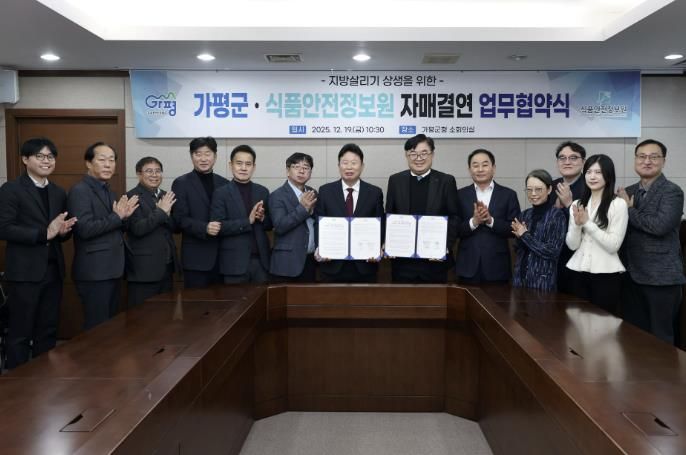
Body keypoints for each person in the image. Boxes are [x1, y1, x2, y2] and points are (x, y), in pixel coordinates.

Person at [0, 138, 76, 368]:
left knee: (48, 329)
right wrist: (44, 233)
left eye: (50, 157)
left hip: (53, 271)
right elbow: (4, 228)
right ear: (25, 159)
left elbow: (58, 232)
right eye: (40, 156)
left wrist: (63, 232)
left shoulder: (58, 192)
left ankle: (43, 380)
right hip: (24, 273)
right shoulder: (11, 189)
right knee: (20, 332)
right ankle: (16, 381)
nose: (46, 161)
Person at [617, 139, 685, 344]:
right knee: (633, 338)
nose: (647, 161)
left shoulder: (672, 191)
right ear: (635, 160)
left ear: (663, 161)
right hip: (630, 276)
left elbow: (659, 226)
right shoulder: (628, 191)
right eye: (642, 156)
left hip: (660, 279)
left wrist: (629, 210)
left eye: (653, 157)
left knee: (660, 340)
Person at [68, 142, 138, 329]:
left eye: (112, 160)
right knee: (97, 328)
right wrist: (117, 217)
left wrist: (124, 218)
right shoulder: (80, 191)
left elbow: (112, 225)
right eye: (102, 160)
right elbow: (84, 229)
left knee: (110, 327)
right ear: (88, 163)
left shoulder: (109, 190)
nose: (108, 165)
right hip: (94, 272)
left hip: (112, 269)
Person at [385, 134, 459, 283]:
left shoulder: (446, 181)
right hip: (403, 262)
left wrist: (444, 246)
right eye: (413, 153)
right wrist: (389, 243)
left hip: (434, 262)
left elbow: (455, 217)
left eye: (424, 153)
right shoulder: (395, 180)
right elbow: (389, 215)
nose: (418, 158)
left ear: (432, 154)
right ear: (406, 156)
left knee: (435, 298)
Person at [565, 154, 628, 315]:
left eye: (598, 172)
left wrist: (587, 223)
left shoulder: (618, 204)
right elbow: (572, 245)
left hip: (606, 276)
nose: (592, 176)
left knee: (603, 325)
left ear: (608, 175)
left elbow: (613, 245)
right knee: (576, 323)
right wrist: (577, 225)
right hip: (578, 272)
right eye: (589, 172)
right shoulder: (577, 204)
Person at [315, 143, 384, 283]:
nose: (349, 167)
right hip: (332, 265)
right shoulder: (325, 191)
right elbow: (318, 223)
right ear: (339, 165)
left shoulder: (374, 193)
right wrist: (321, 248)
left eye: (354, 163)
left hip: (365, 265)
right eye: (345, 163)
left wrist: (377, 248)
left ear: (362, 166)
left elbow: (380, 224)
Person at [171, 137, 229, 288]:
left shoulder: (225, 183)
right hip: (196, 259)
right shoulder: (181, 183)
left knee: (224, 302)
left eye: (207, 153)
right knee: (195, 302)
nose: (203, 158)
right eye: (198, 154)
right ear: (192, 156)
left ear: (215, 156)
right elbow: (179, 219)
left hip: (223, 259)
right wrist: (204, 228)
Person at [455, 149, 520, 284]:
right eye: (475, 165)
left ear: (493, 168)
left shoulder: (508, 195)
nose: (480, 169)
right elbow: (454, 229)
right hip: (467, 266)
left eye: (485, 165)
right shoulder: (459, 195)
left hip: (497, 266)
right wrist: (474, 222)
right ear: (469, 170)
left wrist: (491, 221)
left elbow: (514, 229)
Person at [210, 145, 271, 284]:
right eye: (239, 163)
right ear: (231, 165)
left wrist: (263, 218)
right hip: (234, 263)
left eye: (248, 164)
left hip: (261, 262)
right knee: (235, 298)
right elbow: (218, 227)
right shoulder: (221, 193)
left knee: (263, 298)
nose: (243, 168)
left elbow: (270, 224)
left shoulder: (262, 191)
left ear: (254, 167)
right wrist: (247, 221)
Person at [125, 157, 179, 307]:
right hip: (143, 270)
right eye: (149, 171)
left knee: (165, 315)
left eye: (158, 171)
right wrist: (161, 212)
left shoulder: (166, 196)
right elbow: (137, 229)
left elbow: (175, 227)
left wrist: (167, 215)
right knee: (142, 315)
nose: (154, 175)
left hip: (166, 267)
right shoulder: (131, 197)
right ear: (139, 174)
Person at [511, 169, 567, 291]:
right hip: (519, 279)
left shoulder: (557, 216)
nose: (533, 193)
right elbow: (518, 248)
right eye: (529, 189)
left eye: (538, 189)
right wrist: (519, 239)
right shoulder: (524, 214)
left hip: (542, 282)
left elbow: (552, 251)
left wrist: (524, 235)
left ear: (549, 189)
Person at [269, 153, 318, 282]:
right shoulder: (277, 195)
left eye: (306, 167)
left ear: (310, 172)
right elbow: (280, 226)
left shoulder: (313, 193)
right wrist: (303, 209)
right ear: (288, 171)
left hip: (311, 260)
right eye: (296, 167)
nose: (301, 171)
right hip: (287, 264)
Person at [552, 141, 587, 294]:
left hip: (580, 260)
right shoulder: (550, 186)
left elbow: (589, 225)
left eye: (573, 158)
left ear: (583, 162)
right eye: (562, 158)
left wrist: (568, 205)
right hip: (553, 259)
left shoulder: (591, 186)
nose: (567, 162)